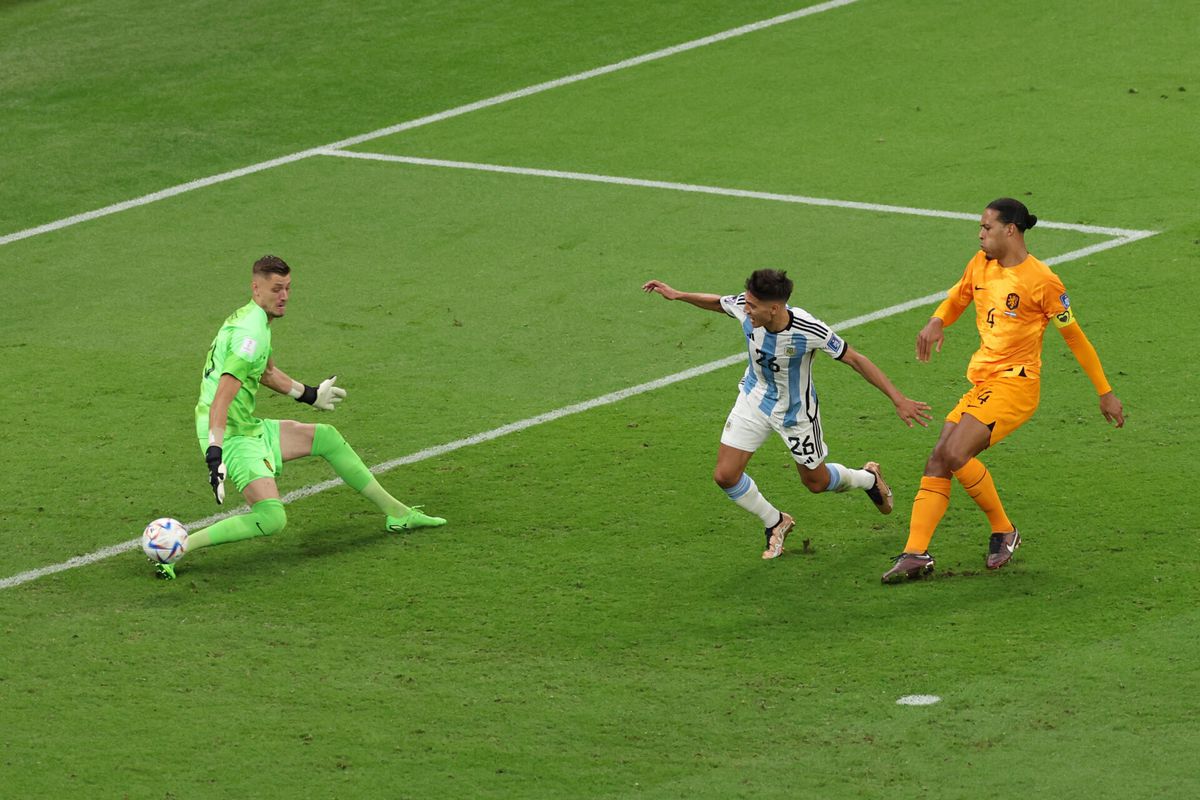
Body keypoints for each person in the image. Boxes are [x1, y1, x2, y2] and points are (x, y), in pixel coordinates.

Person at [155, 255, 445, 579]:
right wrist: (215, 452)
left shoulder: (253, 322)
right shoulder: (249, 336)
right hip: (231, 435)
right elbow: (223, 396)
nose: (284, 296)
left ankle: (396, 512)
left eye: (288, 288)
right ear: (256, 288)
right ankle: (177, 550)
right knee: (272, 518)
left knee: (327, 438)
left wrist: (309, 394)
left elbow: (266, 373)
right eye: (277, 289)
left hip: (244, 426)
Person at [882, 198, 1125, 583]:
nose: (980, 234)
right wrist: (936, 321)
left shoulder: (1042, 281)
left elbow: (1075, 338)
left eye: (986, 227)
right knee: (938, 460)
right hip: (985, 382)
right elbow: (958, 296)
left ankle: (1004, 529)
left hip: (1017, 385)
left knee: (955, 452)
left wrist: (1105, 392)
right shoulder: (980, 263)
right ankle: (916, 553)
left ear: (1010, 230)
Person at [642, 269, 931, 559]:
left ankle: (868, 478)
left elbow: (854, 359)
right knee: (725, 475)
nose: (746, 309)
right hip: (754, 399)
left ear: (775, 308)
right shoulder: (746, 308)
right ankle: (775, 521)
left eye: (753, 306)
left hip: (796, 415)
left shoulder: (808, 329)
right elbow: (720, 303)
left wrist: (898, 399)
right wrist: (678, 295)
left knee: (815, 483)